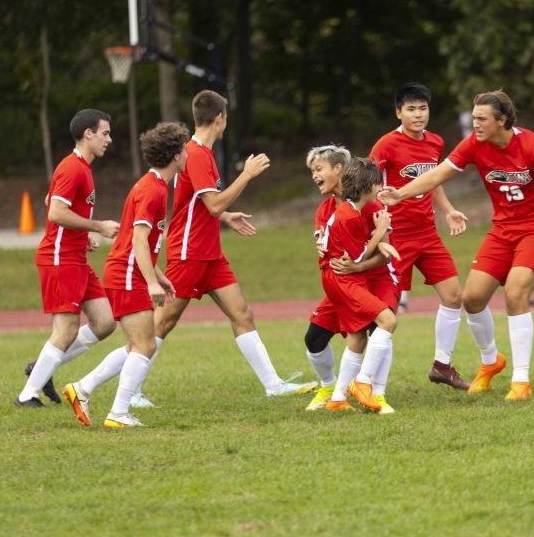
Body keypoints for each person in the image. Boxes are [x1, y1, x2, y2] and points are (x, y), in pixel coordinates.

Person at [380, 90, 534, 401]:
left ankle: (521, 381)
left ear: (502, 120)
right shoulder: (474, 143)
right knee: (471, 299)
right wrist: (400, 194)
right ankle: (491, 361)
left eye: (482, 119)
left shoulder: (531, 143)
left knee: (515, 293)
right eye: (473, 118)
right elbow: (436, 176)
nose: (475, 124)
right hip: (502, 230)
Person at [148, 90, 315, 400]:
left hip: (209, 253)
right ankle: (129, 391)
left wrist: (226, 217)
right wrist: (246, 176)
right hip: (189, 252)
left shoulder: (200, 153)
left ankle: (273, 385)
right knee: (164, 321)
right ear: (220, 118)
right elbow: (211, 205)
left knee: (243, 314)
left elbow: (201, 206)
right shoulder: (196, 154)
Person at [61, 122, 187, 428]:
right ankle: (118, 413)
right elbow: (139, 240)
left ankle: (82, 389)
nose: (187, 154)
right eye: (183, 149)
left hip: (127, 271)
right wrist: (152, 281)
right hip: (127, 274)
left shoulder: (154, 185)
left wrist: (159, 275)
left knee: (135, 346)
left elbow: (139, 240)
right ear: (174, 155)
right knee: (145, 346)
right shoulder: (153, 190)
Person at [369, 82, 474, 390]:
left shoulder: (435, 142)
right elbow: (367, 182)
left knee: (454, 296)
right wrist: (377, 222)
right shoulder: (386, 145)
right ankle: (368, 379)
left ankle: (442, 366)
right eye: (411, 109)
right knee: (383, 309)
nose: (418, 115)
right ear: (398, 112)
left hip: (427, 234)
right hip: (395, 236)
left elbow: (433, 180)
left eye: (423, 108)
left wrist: (448, 210)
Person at [15, 109, 121, 407]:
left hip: (75, 258)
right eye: (105, 133)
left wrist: (82, 233)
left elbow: (53, 200)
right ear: (88, 134)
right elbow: (55, 212)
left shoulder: (82, 168)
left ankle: (42, 368)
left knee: (105, 322)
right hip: (60, 259)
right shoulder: (73, 168)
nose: (109, 140)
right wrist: (97, 226)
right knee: (66, 330)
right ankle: (27, 395)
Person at [303, 145, 399, 414]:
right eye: (312, 170)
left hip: (368, 278)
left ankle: (355, 395)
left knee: (365, 332)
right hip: (343, 280)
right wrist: (375, 241)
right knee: (319, 337)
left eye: (318, 168)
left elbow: (371, 256)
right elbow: (352, 256)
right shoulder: (335, 211)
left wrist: (373, 249)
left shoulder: (367, 206)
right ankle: (355, 385)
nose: (314, 175)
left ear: (339, 170)